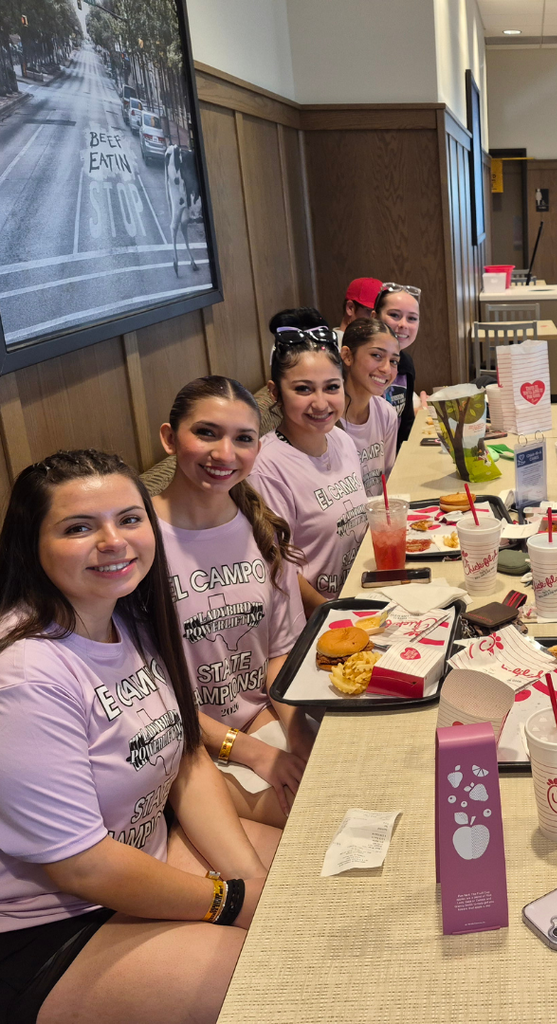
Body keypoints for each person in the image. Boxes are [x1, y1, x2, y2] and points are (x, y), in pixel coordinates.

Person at [0, 449, 278, 1024]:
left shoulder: (127, 615)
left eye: (129, 519)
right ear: (32, 545)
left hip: (143, 854)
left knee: (309, 875)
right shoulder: (25, 675)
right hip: (50, 921)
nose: (114, 541)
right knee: (266, 976)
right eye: (79, 527)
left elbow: (187, 762)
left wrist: (250, 881)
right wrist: (231, 902)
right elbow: (82, 867)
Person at [153, 376, 312, 829]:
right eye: (206, 433)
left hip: (261, 715)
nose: (225, 454)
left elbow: (280, 654)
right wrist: (254, 754)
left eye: (242, 438)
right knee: (312, 820)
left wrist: (300, 739)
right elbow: (156, 699)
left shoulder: (261, 530)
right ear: (169, 438)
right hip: (185, 746)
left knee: (344, 778)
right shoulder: (138, 543)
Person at [249, 309, 368, 615]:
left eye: (331, 387)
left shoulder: (341, 439)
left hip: (362, 595)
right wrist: (334, 614)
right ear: (276, 393)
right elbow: (279, 569)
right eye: (303, 389)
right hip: (320, 618)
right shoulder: (266, 468)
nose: (320, 403)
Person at [339, 317, 400, 497]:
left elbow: (388, 478)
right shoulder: (326, 420)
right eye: (377, 356)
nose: (386, 369)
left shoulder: (386, 413)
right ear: (347, 356)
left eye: (394, 361)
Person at [375, 283, 421, 449]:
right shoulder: (361, 365)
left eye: (412, 318)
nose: (403, 324)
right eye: (394, 315)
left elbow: (406, 421)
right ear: (375, 317)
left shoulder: (406, 362)